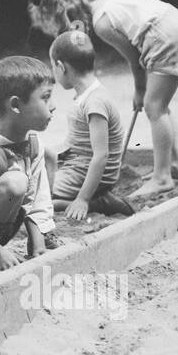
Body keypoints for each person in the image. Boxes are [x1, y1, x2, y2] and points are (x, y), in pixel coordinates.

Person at [26, 0, 178, 198]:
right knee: (161, 105)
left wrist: (140, 88)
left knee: (154, 107)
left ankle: (162, 177)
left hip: (167, 37)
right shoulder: (108, 1)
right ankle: (175, 165)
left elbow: (133, 56)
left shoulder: (102, 23)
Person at [0, 56, 60, 273]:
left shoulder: (33, 144)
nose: (54, 106)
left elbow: (37, 200)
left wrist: (38, 246)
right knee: (16, 182)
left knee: (23, 182)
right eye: (46, 98)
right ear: (15, 105)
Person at [48, 30, 133, 220]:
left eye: (52, 66)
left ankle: (97, 202)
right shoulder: (87, 94)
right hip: (79, 167)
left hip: (87, 175)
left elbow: (101, 155)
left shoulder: (95, 102)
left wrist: (83, 200)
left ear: (61, 67)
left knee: (36, 193)